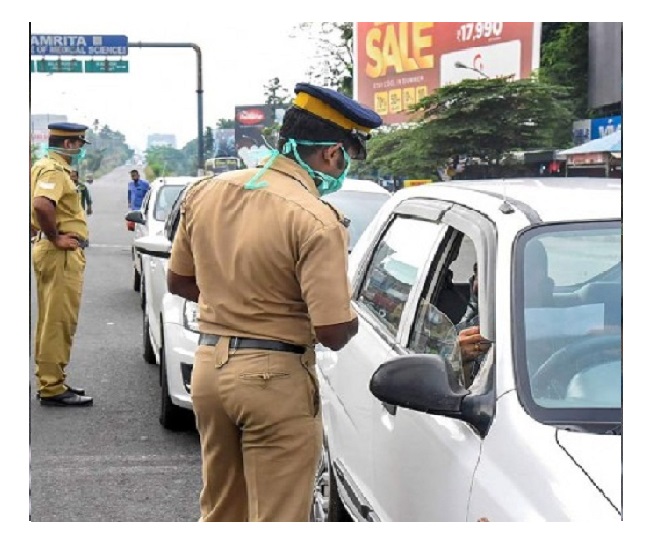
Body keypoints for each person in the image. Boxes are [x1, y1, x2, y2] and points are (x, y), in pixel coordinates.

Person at [167, 82, 382, 522]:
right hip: (273, 380)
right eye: (345, 156)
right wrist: (354, 314)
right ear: (330, 154)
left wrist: (237, 304)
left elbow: (179, 281)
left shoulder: (206, 192)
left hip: (209, 368)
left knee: (222, 510)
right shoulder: (317, 219)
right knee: (279, 517)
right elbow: (333, 332)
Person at [30, 122, 94, 407]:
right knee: (58, 321)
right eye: (79, 144)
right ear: (68, 145)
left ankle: (50, 379)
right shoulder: (54, 171)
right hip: (61, 255)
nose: (80, 149)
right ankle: (52, 387)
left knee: (49, 320)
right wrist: (54, 238)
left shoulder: (43, 166)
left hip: (53, 251)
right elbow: (42, 204)